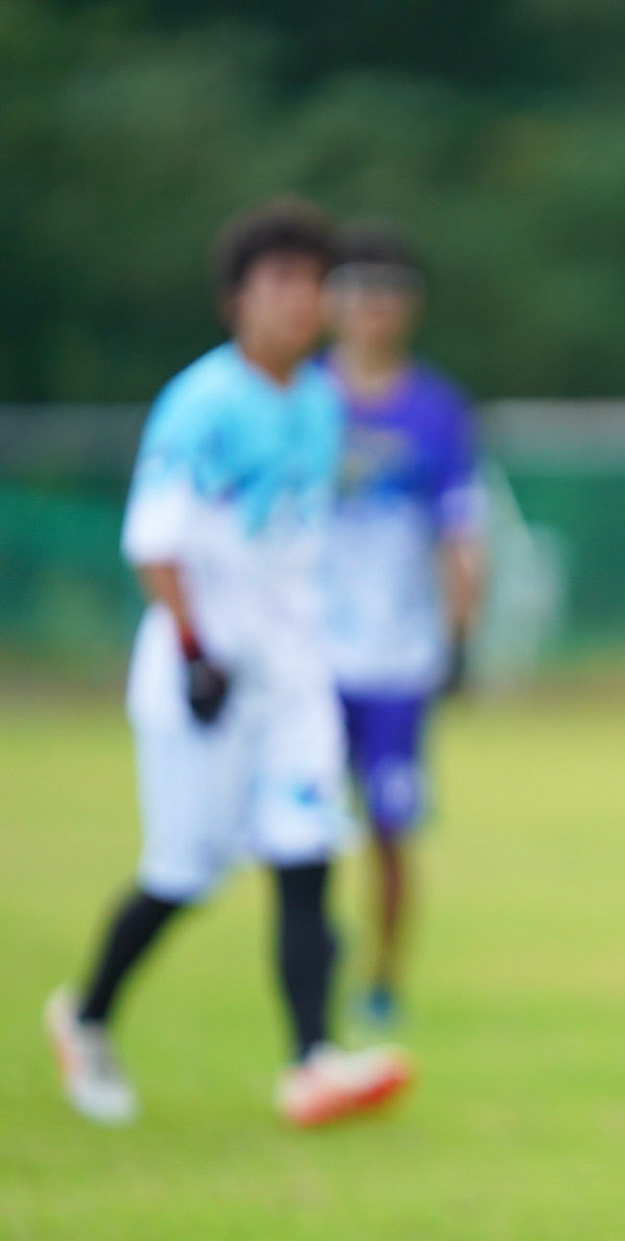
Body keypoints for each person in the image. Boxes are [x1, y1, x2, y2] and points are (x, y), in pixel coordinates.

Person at [43, 198, 412, 1128]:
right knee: (185, 870)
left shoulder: (320, 401)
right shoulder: (204, 403)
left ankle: (310, 1061)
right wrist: (196, 651)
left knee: (307, 850)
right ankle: (85, 1018)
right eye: (278, 282)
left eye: (313, 283)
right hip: (204, 671)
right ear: (235, 299)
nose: (300, 301)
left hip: (292, 673)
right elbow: (155, 542)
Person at [322, 218, 487, 1029]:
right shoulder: (300, 401)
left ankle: (382, 978)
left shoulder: (437, 410)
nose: (373, 308)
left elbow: (461, 532)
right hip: (307, 657)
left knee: (392, 826)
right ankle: (310, 974)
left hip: (397, 658)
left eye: (389, 292)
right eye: (358, 290)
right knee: (303, 831)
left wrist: (460, 636)